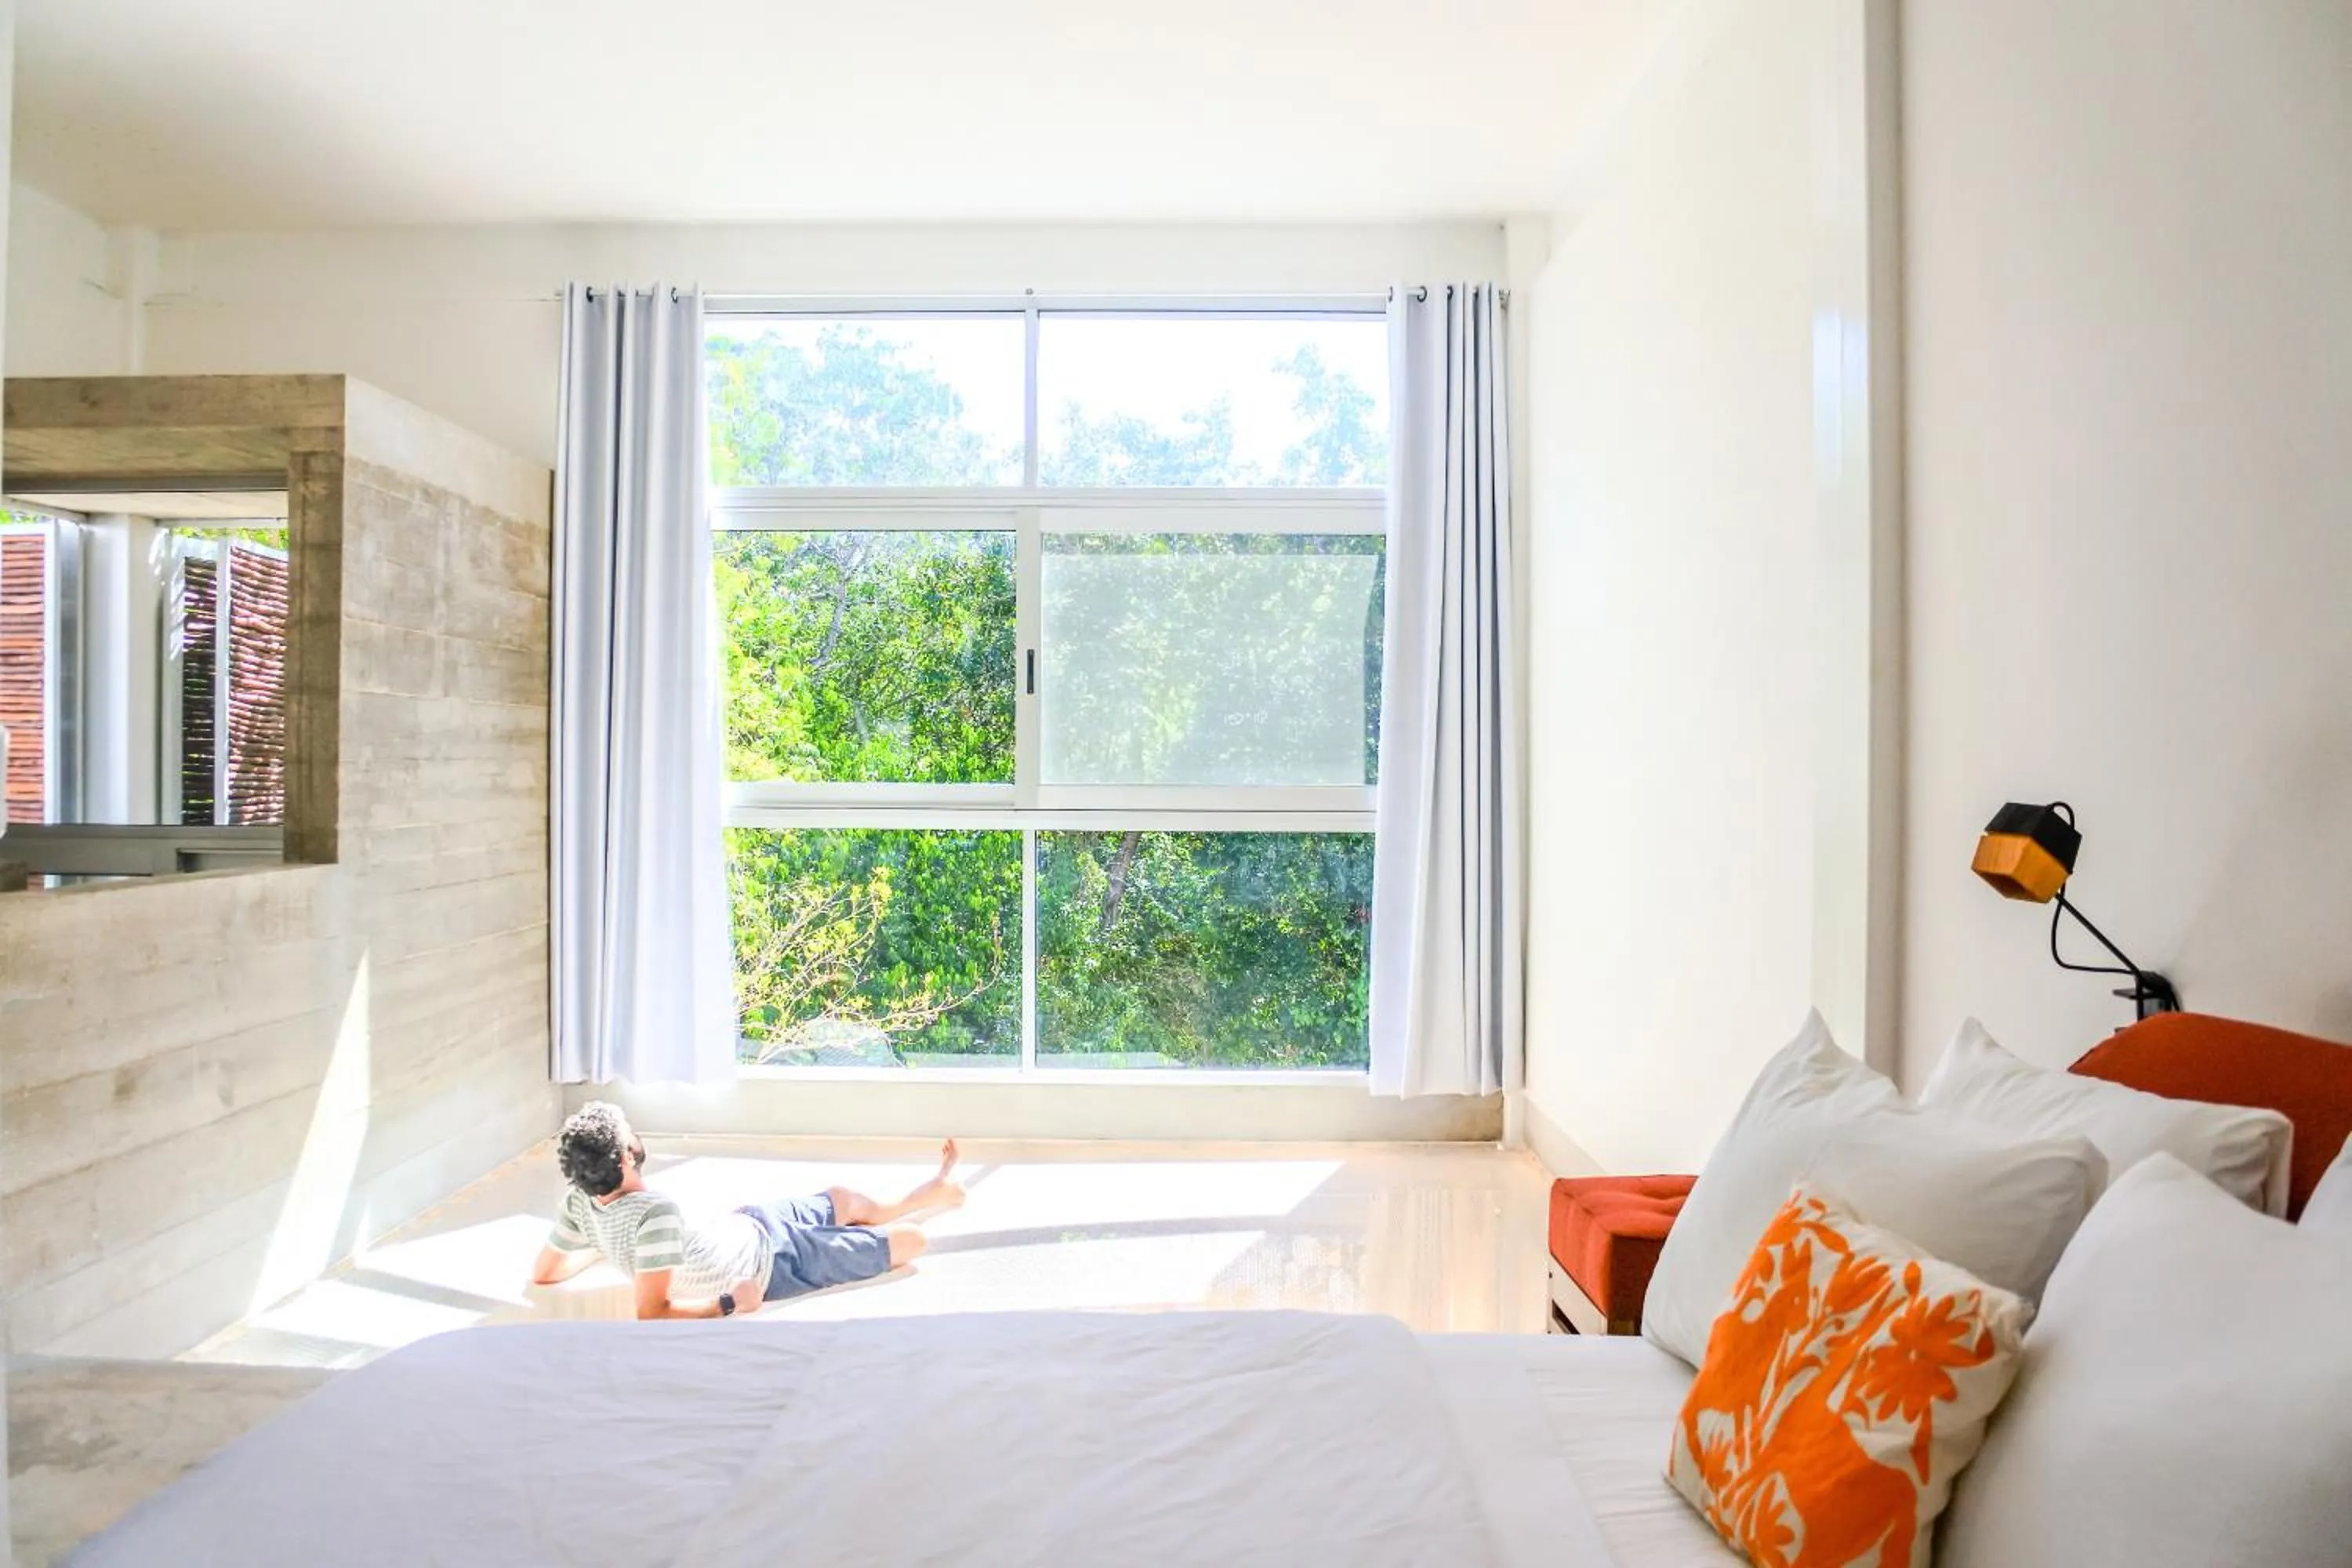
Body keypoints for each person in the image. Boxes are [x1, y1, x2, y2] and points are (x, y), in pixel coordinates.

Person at [528, 1101, 964, 1320]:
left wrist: (610, 1247)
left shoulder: (580, 1201)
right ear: (625, 1158)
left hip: (751, 1225)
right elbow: (652, 1312)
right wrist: (728, 1303)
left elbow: (545, 1273)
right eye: (629, 1134)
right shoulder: (653, 1216)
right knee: (913, 1242)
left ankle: (926, 1194)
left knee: (842, 1197)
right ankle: (923, 1205)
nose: (636, 1134)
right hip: (773, 1264)